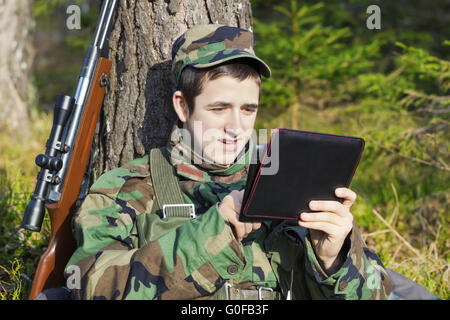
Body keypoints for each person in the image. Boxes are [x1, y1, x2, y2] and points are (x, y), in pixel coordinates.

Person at [64, 24, 392, 300]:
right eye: (219, 108)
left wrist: (333, 257)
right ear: (182, 106)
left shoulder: (288, 176)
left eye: (248, 109)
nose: (236, 126)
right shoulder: (127, 186)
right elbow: (91, 286)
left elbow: (379, 291)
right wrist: (215, 231)